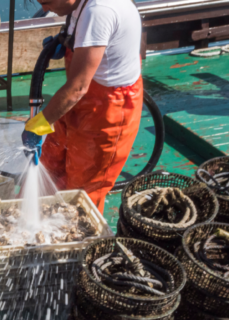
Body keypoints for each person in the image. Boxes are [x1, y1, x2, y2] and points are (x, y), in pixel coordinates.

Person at [22, 0, 143, 213]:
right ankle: (32, 217)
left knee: (83, 190)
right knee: (49, 162)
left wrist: (38, 124)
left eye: (48, 2)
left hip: (109, 108)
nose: (47, 9)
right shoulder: (79, 5)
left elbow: (77, 88)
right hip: (81, 96)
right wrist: (68, 42)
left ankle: (76, 243)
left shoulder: (99, 11)